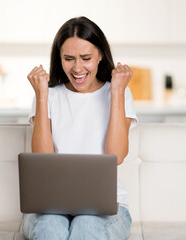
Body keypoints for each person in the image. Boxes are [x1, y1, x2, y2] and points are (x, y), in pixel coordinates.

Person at [22, 16, 137, 240]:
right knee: (50, 229)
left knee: (87, 227)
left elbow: (116, 155)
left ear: (101, 55)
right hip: (49, 207)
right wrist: (43, 96)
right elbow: (43, 158)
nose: (77, 68)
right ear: (59, 58)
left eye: (86, 58)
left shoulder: (120, 92)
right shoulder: (48, 95)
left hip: (107, 208)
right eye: (68, 58)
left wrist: (115, 93)